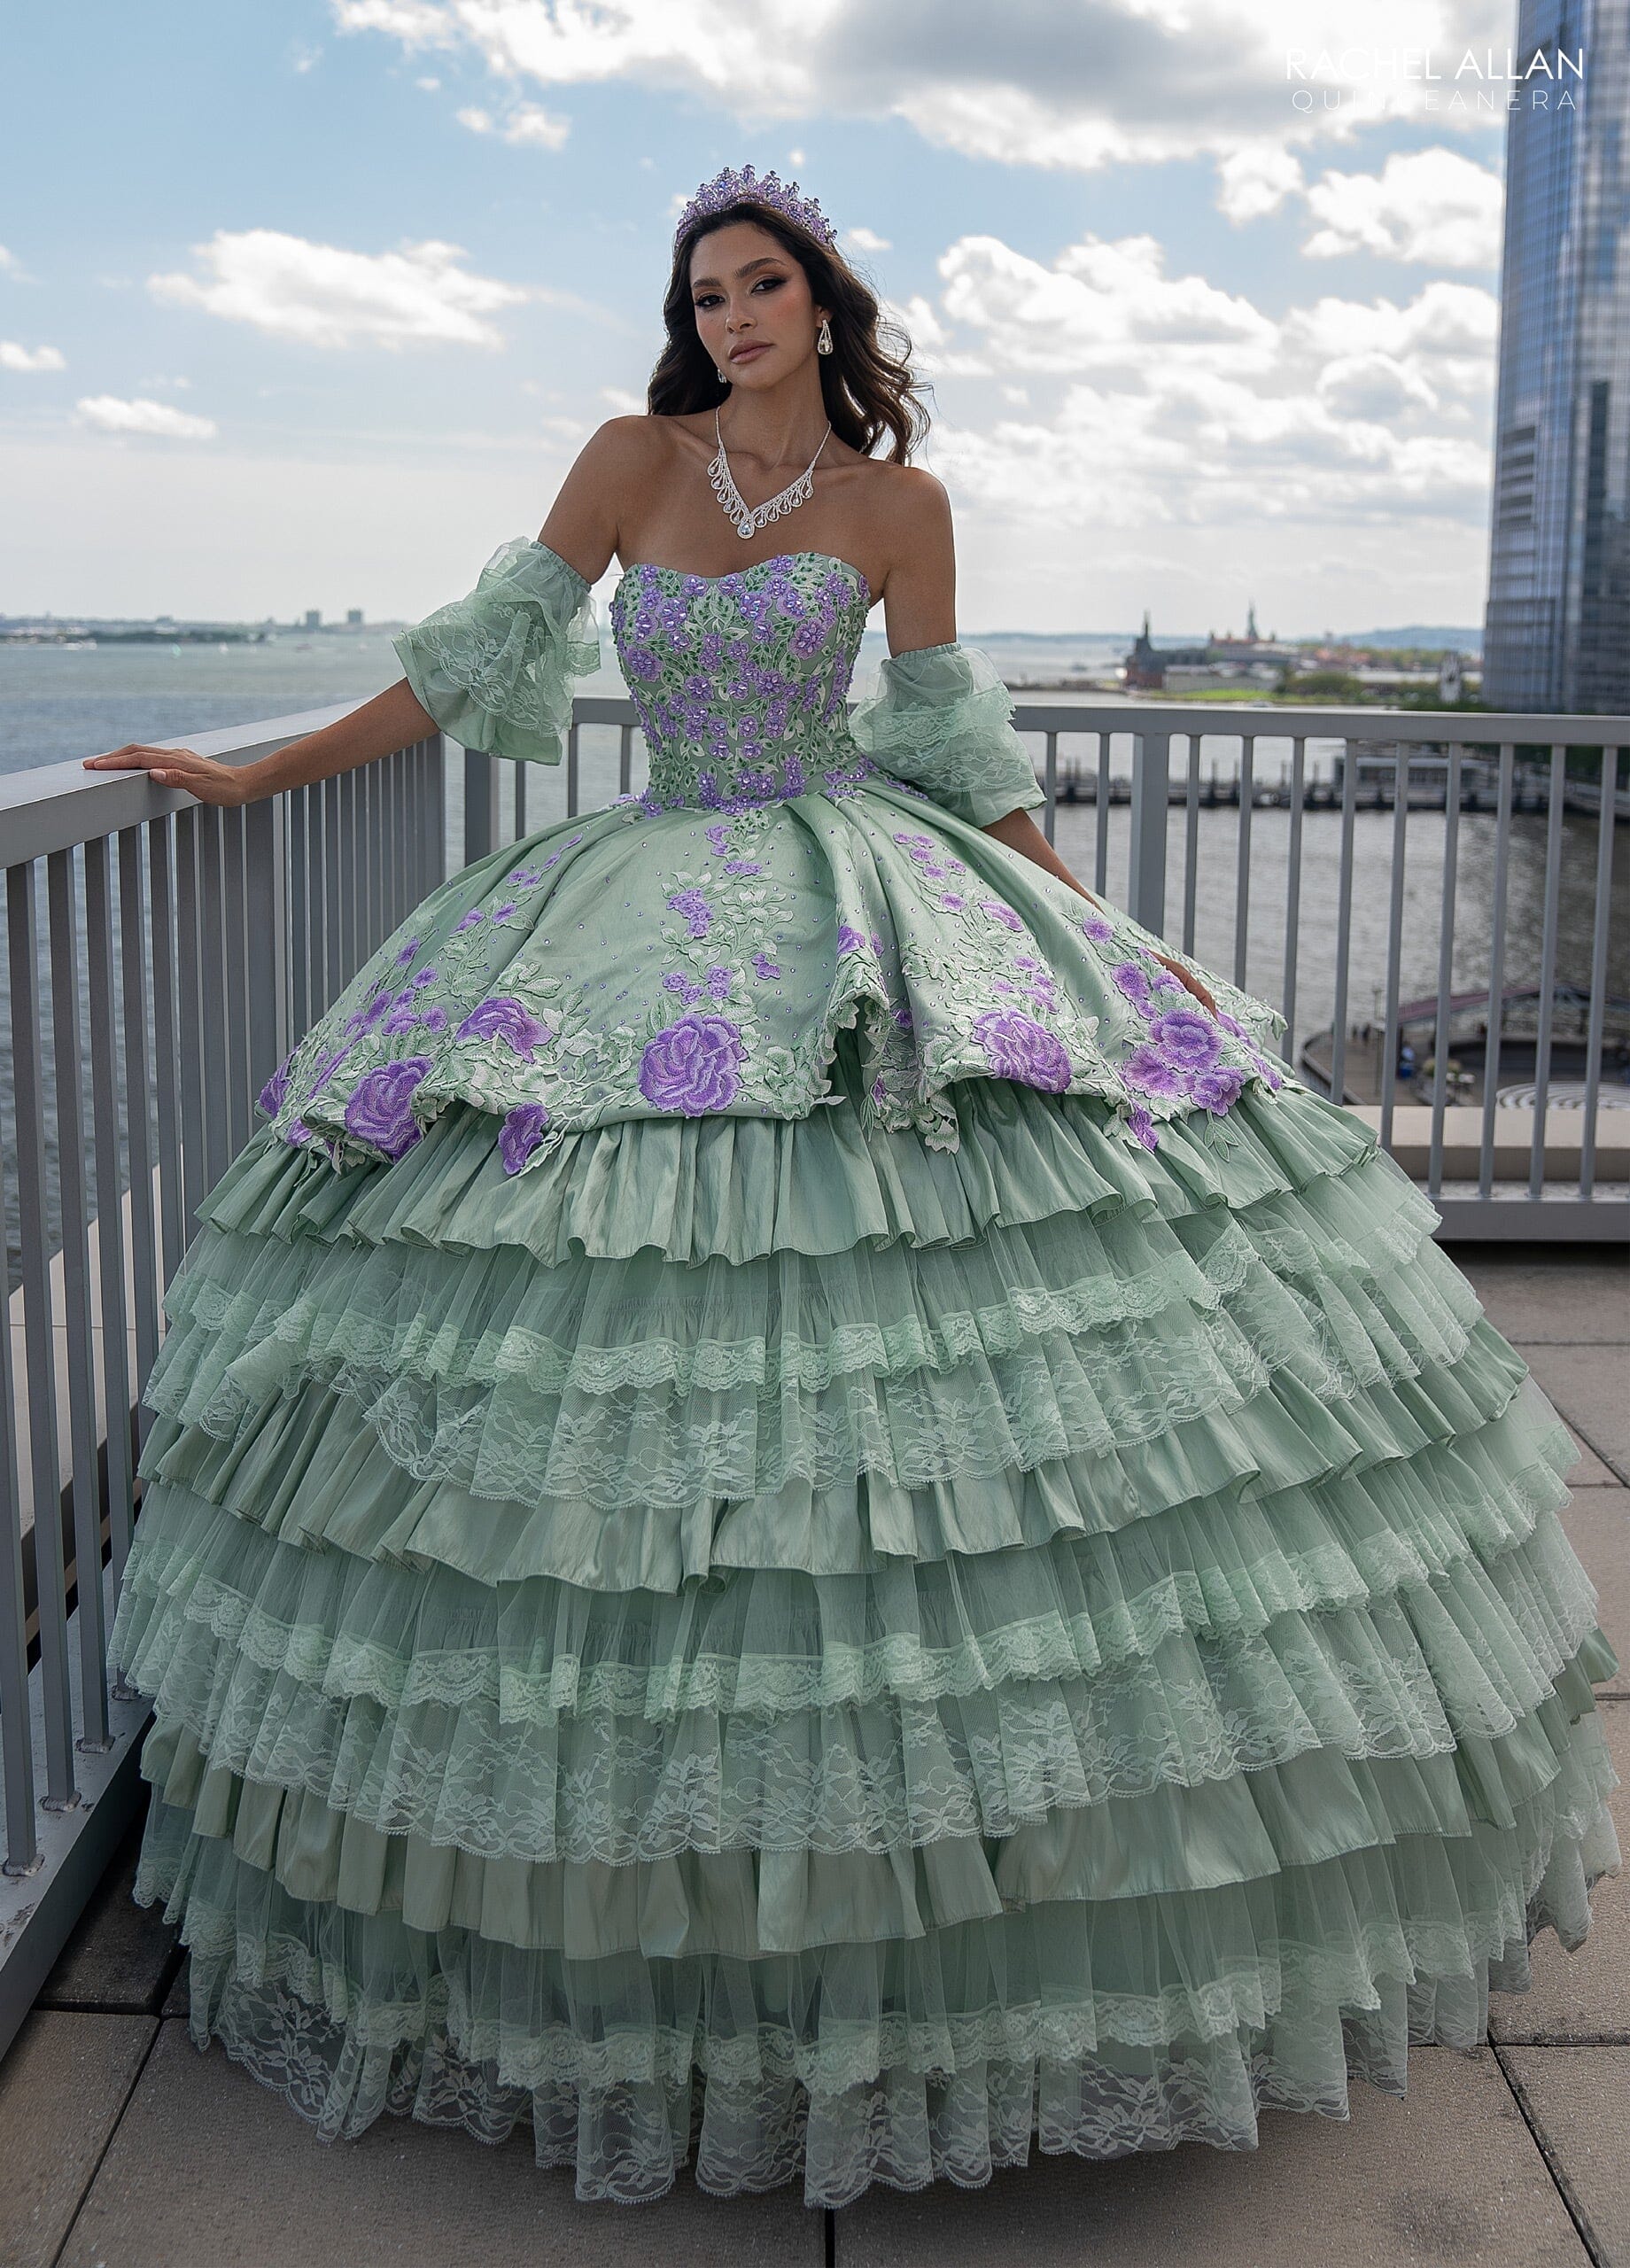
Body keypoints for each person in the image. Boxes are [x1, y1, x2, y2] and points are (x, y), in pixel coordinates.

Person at [85, 164, 1619, 2210]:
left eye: (758, 286)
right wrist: (257, 769)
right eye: (703, 294)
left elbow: (955, 746)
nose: (728, 318)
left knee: (933, 1306)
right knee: (587, 1303)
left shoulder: (902, 505)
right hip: (640, 893)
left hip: (849, 880)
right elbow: (476, 662)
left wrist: (1107, 932)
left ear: (821, 305)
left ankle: (950, 1918)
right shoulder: (628, 459)